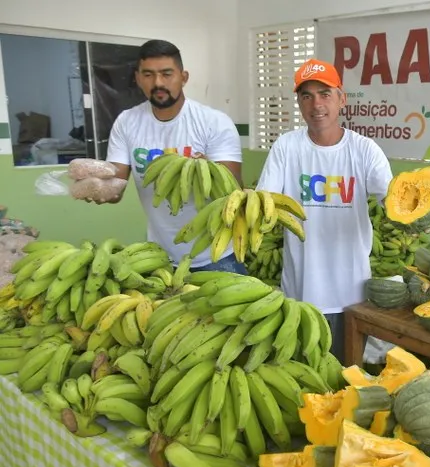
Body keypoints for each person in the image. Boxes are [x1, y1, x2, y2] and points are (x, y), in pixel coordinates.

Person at [257, 58, 393, 359]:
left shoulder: (364, 150)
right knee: (304, 381)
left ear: (341, 99)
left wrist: (418, 212)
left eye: (325, 94)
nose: (316, 104)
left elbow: (394, 201)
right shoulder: (287, 147)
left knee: (346, 380)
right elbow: (263, 201)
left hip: (351, 296)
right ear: (299, 103)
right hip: (300, 294)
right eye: (306, 96)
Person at [95, 39, 245, 273]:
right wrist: (93, 186)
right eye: (148, 75)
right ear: (137, 78)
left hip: (216, 254)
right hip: (159, 257)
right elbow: (115, 190)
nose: (158, 83)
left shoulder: (214, 123)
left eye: (167, 74)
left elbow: (234, 193)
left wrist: (209, 171)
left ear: (183, 77)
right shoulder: (126, 123)